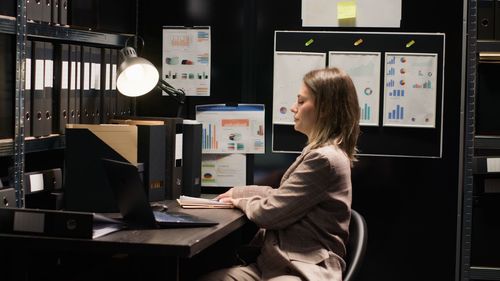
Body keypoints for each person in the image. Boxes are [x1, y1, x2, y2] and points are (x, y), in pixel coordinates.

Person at [199, 67, 360, 281]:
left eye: (302, 102)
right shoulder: (320, 152)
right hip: (275, 265)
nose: (293, 108)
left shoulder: (325, 159)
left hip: (303, 270)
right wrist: (237, 192)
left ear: (325, 109)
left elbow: (271, 213)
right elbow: (282, 194)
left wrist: (241, 202)